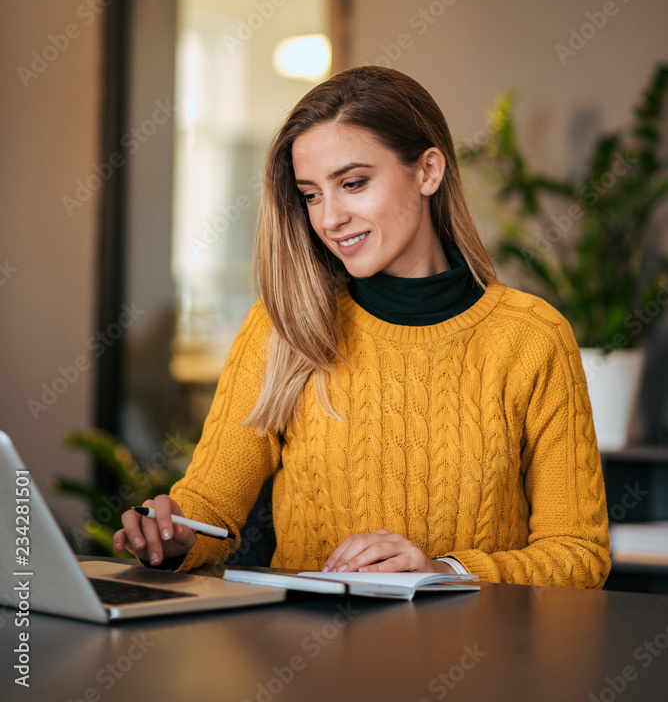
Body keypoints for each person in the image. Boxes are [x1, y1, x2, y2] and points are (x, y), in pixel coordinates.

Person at [114, 66, 610, 587]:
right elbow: (210, 504)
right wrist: (174, 535)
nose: (330, 218)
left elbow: (578, 555)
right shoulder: (286, 323)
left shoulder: (532, 337)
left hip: (472, 656)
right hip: (305, 655)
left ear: (428, 172)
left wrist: (445, 571)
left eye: (353, 183)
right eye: (311, 194)